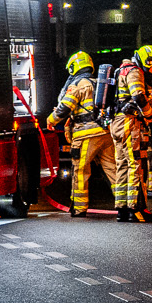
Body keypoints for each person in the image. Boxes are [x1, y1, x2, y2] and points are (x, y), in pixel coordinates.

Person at [46, 51, 123, 217]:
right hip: (105, 134)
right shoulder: (98, 83)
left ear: (74, 67)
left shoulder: (78, 84)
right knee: (113, 170)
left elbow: (64, 108)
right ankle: (124, 205)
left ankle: (79, 208)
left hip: (86, 135)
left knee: (81, 171)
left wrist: (50, 120)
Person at [112, 45, 152, 221]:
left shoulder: (123, 69)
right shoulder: (135, 71)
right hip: (130, 124)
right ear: (148, 61)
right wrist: (149, 114)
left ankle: (123, 210)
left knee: (123, 166)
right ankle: (138, 210)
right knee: (137, 165)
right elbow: (138, 96)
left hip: (118, 123)